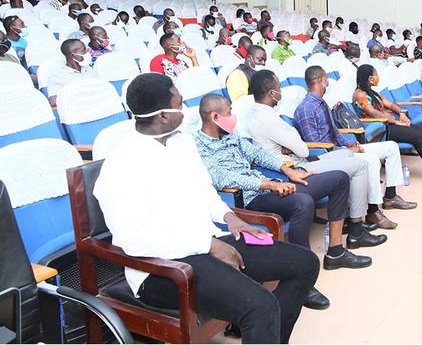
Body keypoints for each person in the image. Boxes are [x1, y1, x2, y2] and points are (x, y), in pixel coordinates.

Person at [94, 73, 319, 344]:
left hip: (207, 243)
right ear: (162, 116)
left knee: (305, 264)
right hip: (162, 268)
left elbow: (205, 189)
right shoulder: (122, 164)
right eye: (178, 105)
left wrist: (230, 217)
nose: (185, 110)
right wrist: (208, 245)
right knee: (260, 305)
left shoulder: (182, 142)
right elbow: (135, 241)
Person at [194, 94, 368, 311]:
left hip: (270, 185)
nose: (233, 116)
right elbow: (223, 178)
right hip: (246, 199)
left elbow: (257, 154)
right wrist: (269, 185)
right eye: (229, 112)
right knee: (302, 203)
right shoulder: (197, 146)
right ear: (215, 116)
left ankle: (336, 252)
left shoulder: (230, 135)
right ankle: (303, 281)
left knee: (339, 178)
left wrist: (288, 170)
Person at [246, 70, 386, 238]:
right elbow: (303, 149)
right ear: (271, 93)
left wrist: (292, 144)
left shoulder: (262, 113)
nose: (281, 92)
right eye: (278, 88)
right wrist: (293, 144)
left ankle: (351, 218)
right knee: (360, 165)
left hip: (298, 159)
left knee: (349, 155)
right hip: (296, 167)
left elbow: (297, 145)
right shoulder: (267, 119)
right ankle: (357, 229)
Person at [295, 65, 416, 226]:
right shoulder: (306, 108)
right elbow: (317, 144)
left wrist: (350, 143)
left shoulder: (322, 103)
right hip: (328, 155)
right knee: (371, 160)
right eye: (326, 78)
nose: (328, 82)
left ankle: (391, 197)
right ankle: (373, 212)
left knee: (391, 147)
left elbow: (335, 132)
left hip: (342, 149)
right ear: (319, 80)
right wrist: (345, 150)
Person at [353, 65, 422, 183]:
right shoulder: (360, 95)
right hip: (381, 129)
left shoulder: (372, 93)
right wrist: (397, 122)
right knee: (419, 137)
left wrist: (401, 113)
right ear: (370, 78)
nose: (377, 77)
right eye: (376, 75)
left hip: (389, 124)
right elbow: (374, 113)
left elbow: (390, 104)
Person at [46, 39, 94, 106]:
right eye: (83, 51)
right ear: (73, 55)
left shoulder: (89, 68)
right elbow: (54, 101)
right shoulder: (57, 76)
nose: (87, 53)